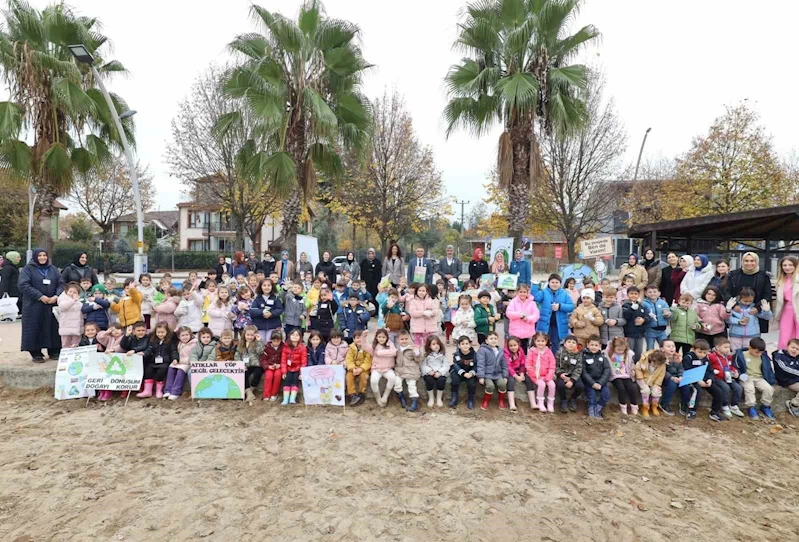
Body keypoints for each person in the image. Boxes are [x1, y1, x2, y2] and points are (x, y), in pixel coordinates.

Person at [18, 249, 64, 362]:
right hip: (34, 305)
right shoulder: (28, 269)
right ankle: (36, 352)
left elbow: (61, 283)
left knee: (52, 327)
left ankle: (53, 350)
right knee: (34, 327)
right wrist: (40, 296)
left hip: (51, 304)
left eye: (44, 255)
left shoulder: (53, 269)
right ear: (35, 257)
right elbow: (23, 285)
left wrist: (56, 295)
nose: (42, 258)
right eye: (40, 255)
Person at [722, 251, 772, 335]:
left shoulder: (763, 276)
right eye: (746, 261)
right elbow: (727, 291)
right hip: (737, 311)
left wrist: (758, 308)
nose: (749, 263)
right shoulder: (734, 275)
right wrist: (733, 306)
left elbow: (767, 294)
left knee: (754, 338)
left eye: (752, 261)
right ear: (742, 261)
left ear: (756, 262)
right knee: (736, 335)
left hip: (755, 311)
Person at [732, 337, 776, 420]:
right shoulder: (741, 355)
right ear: (750, 348)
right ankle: (751, 407)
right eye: (756, 352)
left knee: (768, 389)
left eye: (761, 352)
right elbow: (736, 367)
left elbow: (768, 369)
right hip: (746, 377)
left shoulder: (763, 357)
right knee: (749, 388)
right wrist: (739, 375)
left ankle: (765, 406)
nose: (759, 354)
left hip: (759, 377)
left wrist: (771, 382)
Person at [682, 339, 725, 422]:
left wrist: (710, 379)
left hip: (704, 380)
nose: (702, 355)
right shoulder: (688, 358)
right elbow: (687, 371)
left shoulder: (706, 359)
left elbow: (710, 370)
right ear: (693, 349)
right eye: (700, 352)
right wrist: (697, 381)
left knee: (718, 391)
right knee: (697, 390)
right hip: (692, 380)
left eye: (705, 353)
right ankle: (691, 411)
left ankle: (715, 412)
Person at [533, 274, 574, 353]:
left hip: (558, 326)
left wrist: (560, 306)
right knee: (543, 344)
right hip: (545, 324)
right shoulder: (544, 292)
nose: (554, 284)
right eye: (552, 282)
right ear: (549, 283)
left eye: (557, 282)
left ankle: (554, 362)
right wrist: (535, 285)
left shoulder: (564, 293)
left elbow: (571, 307)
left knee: (556, 345)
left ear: (560, 283)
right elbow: (535, 298)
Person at [707, 337, 745, 419]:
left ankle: (734, 405)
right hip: (717, 378)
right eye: (725, 347)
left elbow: (731, 366)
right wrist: (716, 372)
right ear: (717, 347)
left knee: (738, 388)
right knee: (725, 388)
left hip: (728, 377)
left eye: (729, 347)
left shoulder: (728, 357)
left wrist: (735, 372)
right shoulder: (711, 356)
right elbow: (708, 367)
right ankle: (724, 406)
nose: (728, 349)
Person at [727, 287, 772, 351]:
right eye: (745, 301)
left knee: (749, 353)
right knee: (735, 353)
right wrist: (738, 321)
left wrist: (767, 311)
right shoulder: (734, 307)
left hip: (752, 335)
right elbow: (727, 319)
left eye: (750, 301)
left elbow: (767, 317)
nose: (748, 303)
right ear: (739, 298)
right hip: (735, 334)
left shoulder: (754, 309)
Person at [362, 329, 397, 407]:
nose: (381, 339)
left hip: (388, 368)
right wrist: (363, 337)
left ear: (387, 337)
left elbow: (394, 352)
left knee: (392, 378)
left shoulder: (390, 344)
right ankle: (378, 397)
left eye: (383, 337)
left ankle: (385, 396)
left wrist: (379, 353)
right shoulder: (374, 346)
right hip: (376, 369)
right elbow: (365, 347)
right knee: (374, 381)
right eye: (379, 337)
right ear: (376, 337)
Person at [144, 323, 178, 399]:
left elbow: (173, 351)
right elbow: (149, 349)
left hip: (165, 361)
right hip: (153, 361)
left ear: (167, 332)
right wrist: (144, 354)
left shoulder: (170, 341)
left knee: (161, 371)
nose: (160, 334)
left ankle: (159, 390)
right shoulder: (153, 340)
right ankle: (147, 390)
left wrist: (175, 359)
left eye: (162, 332)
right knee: (148, 370)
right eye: (158, 332)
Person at [606, 337, 639, 415]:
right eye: (618, 350)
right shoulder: (609, 353)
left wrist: (633, 371)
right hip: (615, 376)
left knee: (632, 388)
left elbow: (631, 364)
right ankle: (623, 406)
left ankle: (634, 406)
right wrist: (612, 341)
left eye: (622, 350)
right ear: (614, 347)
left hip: (626, 375)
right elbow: (607, 347)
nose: (620, 351)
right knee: (621, 389)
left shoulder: (628, 354)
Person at [476, 331, 508, 410]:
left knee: (502, 384)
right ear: (486, 341)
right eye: (491, 339)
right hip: (487, 374)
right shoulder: (482, 350)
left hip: (498, 374)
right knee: (490, 386)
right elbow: (481, 364)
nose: (493, 340)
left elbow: (504, 364)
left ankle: (501, 400)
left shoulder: (500, 351)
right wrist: (481, 376)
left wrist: (505, 376)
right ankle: (486, 401)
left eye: (495, 339)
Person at [581, 336, 611, 419]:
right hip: (589, 382)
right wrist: (592, 383)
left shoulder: (603, 357)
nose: (594, 347)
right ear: (587, 345)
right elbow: (584, 372)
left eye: (596, 345)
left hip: (601, 381)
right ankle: (591, 412)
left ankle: (598, 409)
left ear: (600, 346)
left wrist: (600, 383)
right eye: (592, 345)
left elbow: (607, 370)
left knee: (606, 394)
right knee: (592, 395)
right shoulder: (584, 357)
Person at [162, 326, 195, 401]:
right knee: (171, 368)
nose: (185, 337)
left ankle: (176, 392)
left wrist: (183, 361)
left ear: (190, 335)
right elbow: (175, 351)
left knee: (180, 371)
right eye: (182, 335)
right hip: (179, 361)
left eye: (187, 335)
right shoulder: (179, 343)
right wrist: (175, 359)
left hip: (188, 363)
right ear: (179, 337)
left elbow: (193, 355)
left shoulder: (194, 343)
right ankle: (167, 390)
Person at [526, 332, 557, 412]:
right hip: (536, 375)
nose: (540, 343)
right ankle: (540, 402)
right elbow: (528, 365)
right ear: (535, 341)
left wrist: (549, 375)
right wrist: (535, 375)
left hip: (546, 375)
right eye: (538, 341)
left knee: (552, 385)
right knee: (541, 385)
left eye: (542, 341)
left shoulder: (548, 352)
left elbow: (552, 365)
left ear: (546, 342)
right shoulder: (532, 351)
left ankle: (550, 403)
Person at [505, 283, 539, 352]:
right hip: (515, 332)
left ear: (527, 293)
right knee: (515, 350)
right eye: (520, 292)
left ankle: (524, 362)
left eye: (524, 292)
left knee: (525, 350)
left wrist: (527, 319)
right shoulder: (513, 302)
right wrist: (519, 315)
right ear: (517, 292)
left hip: (528, 332)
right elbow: (508, 313)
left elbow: (536, 316)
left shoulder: (532, 303)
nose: (522, 294)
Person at [393, 329, 422, 412]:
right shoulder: (397, 350)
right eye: (402, 339)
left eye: (406, 339)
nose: (404, 341)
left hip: (411, 371)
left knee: (411, 385)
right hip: (400, 371)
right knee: (397, 383)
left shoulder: (412, 349)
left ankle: (414, 402)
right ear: (398, 340)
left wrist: (417, 353)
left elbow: (418, 359)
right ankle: (401, 398)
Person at [775, 255, 799, 350]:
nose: (787, 267)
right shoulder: (781, 280)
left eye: (790, 265)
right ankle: (783, 358)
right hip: (787, 310)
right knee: (785, 337)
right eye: (784, 265)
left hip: (797, 309)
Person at [555, 335, 584, 413]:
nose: (571, 344)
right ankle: (563, 400)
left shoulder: (578, 355)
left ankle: (573, 398)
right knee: (560, 385)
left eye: (573, 342)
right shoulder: (559, 353)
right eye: (569, 342)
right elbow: (556, 365)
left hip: (573, 375)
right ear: (564, 344)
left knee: (580, 386)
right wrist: (560, 374)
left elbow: (578, 368)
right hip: (562, 374)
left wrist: (572, 380)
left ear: (576, 345)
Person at [250, 279, 284, 344]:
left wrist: (271, 314)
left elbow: (279, 309)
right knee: (260, 342)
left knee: (270, 342)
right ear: (261, 287)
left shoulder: (276, 298)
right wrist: (262, 312)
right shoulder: (257, 299)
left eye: (269, 285)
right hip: (260, 325)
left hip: (273, 325)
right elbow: (253, 311)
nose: (266, 287)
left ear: (272, 287)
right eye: (264, 285)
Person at [634, 349, 667, 418]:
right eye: (654, 364)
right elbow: (638, 368)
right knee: (646, 390)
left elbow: (661, 375)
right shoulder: (643, 360)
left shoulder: (662, 365)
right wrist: (640, 378)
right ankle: (645, 407)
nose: (655, 366)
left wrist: (657, 384)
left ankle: (654, 406)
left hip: (653, 381)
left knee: (656, 391)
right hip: (642, 379)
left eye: (658, 365)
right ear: (651, 359)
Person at [658, 339, 686, 416]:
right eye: (668, 346)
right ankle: (664, 403)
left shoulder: (677, 357)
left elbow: (681, 368)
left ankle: (684, 403)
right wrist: (672, 378)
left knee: (685, 384)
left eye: (673, 346)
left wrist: (680, 376)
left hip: (676, 377)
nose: (671, 348)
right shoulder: (660, 358)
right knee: (672, 384)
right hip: (664, 378)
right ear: (662, 349)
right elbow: (662, 371)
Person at [504, 336, 533, 412]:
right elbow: (508, 366)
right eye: (511, 346)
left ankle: (533, 402)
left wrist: (522, 373)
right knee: (511, 381)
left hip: (519, 370)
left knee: (528, 379)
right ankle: (512, 404)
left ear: (518, 345)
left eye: (515, 345)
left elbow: (523, 363)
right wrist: (516, 376)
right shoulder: (506, 353)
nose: (513, 347)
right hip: (510, 372)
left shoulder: (521, 351)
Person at [279, 328, 307, 405]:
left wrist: (301, 373)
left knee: (295, 381)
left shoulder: (303, 348)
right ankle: (285, 399)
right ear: (289, 336)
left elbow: (303, 362)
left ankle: (292, 398)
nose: (295, 336)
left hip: (297, 369)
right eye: (293, 335)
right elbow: (283, 361)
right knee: (287, 380)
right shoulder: (285, 347)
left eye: (297, 335)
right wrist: (283, 372)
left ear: (300, 337)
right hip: (288, 368)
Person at [773, 338, 799, 417]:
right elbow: (785, 368)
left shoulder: (797, 358)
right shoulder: (779, 356)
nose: (794, 350)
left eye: (797, 349)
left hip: (796, 379)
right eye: (793, 347)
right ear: (787, 346)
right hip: (786, 380)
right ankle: (793, 404)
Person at [345, 331, 372, 406]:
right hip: (354, 368)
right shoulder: (351, 348)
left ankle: (361, 393)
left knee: (364, 377)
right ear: (353, 339)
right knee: (349, 376)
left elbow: (368, 361)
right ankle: (352, 394)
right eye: (357, 338)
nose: (359, 340)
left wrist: (361, 369)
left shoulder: (367, 348)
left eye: (361, 338)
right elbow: (349, 359)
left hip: (363, 368)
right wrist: (353, 368)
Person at [642, 284, 671, 350]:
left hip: (662, 331)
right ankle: (649, 360)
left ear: (659, 293)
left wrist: (668, 315)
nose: (652, 294)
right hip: (650, 330)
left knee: (665, 348)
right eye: (650, 292)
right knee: (650, 348)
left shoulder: (663, 303)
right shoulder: (644, 303)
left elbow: (669, 314)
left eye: (655, 292)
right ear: (646, 293)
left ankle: (663, 360)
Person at [57, 282, 83, 348]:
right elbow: (63, 307)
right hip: (66, 326)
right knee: (66, 343)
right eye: (70, 291)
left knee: (75, 343)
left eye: (74, 292)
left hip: (76, 326)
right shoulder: (63, 300)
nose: (72, 293)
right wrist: (73, 301)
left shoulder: (79, 302)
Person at [0, 250, 22, 316]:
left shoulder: (12, 267)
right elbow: (5, 280)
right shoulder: (8, 268)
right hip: (11, 292)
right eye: (18, 257)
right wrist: (4, 292)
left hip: (14, 291)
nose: (19, 259)